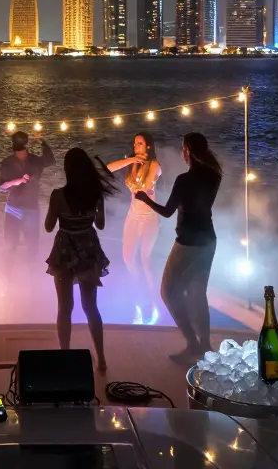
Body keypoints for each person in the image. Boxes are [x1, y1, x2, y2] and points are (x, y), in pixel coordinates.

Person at [135, 132, 222, 364]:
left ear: (187, 151)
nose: (182, 153)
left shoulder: (185, 180)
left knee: (167, 292)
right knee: (198, 293)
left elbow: (166, 212)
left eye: (183, 149)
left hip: (187, 242)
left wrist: (145, 199)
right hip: (208, 241)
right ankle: (205, 346)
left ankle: (192, 343)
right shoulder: (214, 175)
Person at [44, 148, 116, 371]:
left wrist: (58, 213)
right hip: (88, 249)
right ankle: (101, 358)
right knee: (90, 306)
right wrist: (97, 209)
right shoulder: (96, 195)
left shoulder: (58, 196)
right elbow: (100, 225)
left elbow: (48, 227)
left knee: (65, 306)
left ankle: (65, 354)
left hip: (65, 250)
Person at [105, 133, 163, 325]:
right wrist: (131, 160)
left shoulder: (154, 165)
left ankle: (153, 300)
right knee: (128, 257)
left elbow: (144, 187)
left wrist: (139, 166)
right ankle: (139, 293)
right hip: (132, 216)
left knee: (145, 259)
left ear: (148, 146)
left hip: (149, 216)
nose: (136, 146)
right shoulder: (132, 163)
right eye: (135, 144)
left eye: (140, 143)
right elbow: (107, 169)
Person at [0, 131, 54, 275]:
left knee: (31, 246)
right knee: (11, 245)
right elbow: (1, 187)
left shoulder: (33, 161)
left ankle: (30, 275)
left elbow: (50, 160)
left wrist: (42, 141)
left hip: (29, 208)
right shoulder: (8, 163)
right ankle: (8, 276)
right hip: (15, 207)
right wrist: (18, 181)